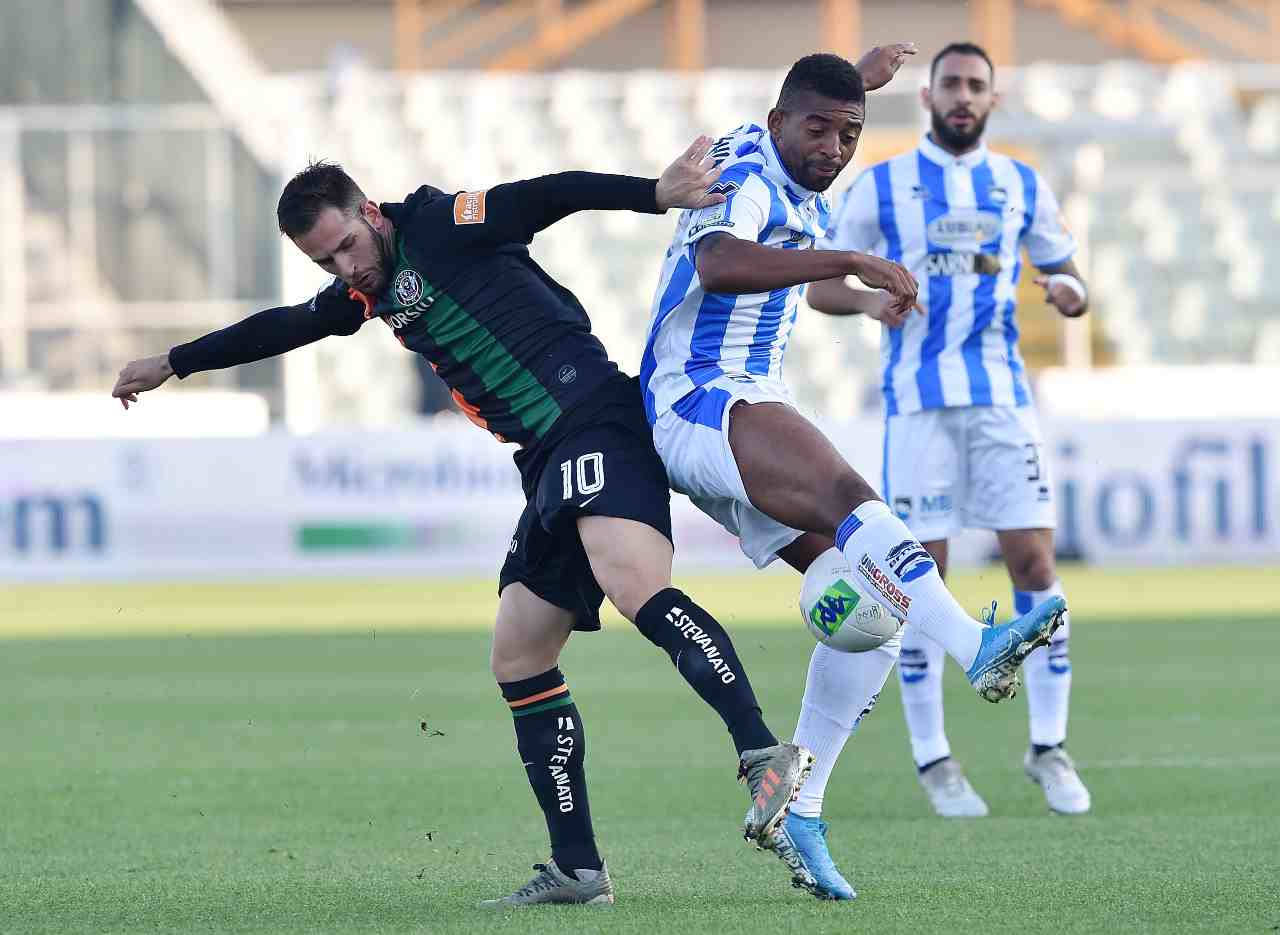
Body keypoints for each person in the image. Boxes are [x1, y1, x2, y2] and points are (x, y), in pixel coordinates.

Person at [110, 142, 814, 909]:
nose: (343, 268)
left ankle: (760, 749)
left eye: (345, 245)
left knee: (634, 584)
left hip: (594, 420)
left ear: (370, 214)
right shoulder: (366, 294)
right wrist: (175, 361)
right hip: (547, 458)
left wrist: (654, 192)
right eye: (325, 261)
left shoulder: (443, 223)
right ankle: (579, 869)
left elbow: (545, 192)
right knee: (518, 652)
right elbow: (282, 327)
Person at [643, 50, 1068, 901]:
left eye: (851, 132)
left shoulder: (804, 144)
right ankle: (976, 648)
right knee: (850, 498)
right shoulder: (748, 174)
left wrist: (856, 87)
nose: (836, 148)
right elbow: (721, 263)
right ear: (775, 121)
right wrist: (850, 262)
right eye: (818, 129)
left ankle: (803, 804)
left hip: (745, 398)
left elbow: (819, 103)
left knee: (874, 603)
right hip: (699, 396)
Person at [807, 42, 1091, 825]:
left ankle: (1049, 744)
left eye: (977, 86)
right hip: (916, 401)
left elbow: (1069, 271)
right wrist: (866, 305)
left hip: (1002, 400)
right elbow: (820, 278)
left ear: (992, 101)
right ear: (927, 97)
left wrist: (1067, 293)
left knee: (1033, 560)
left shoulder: (1020, 183)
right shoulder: (882, 184)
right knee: (920, 574)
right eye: (951, 85)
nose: (963, 96)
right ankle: (935, 757)